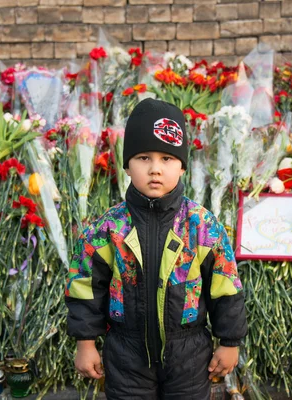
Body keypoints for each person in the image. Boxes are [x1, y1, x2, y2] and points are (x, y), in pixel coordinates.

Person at [65, 98, 247, 399]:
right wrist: (85, 343)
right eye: (144, 158)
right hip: (125, 355)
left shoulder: (201, 226)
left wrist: (229, 342)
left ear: (182, 166)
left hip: (189, 355)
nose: (155, 169)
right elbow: (84, 285)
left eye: (166, 158)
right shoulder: (108, 228)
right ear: (127, 165)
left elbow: (225, 286)